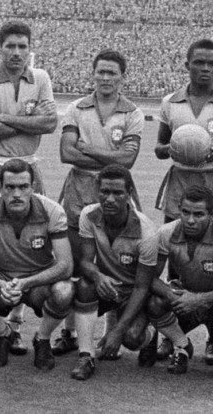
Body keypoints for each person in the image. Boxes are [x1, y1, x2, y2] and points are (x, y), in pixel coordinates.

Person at [0, 21, 57, 357]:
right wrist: (27, 122)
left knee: (26, 249)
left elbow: (50, 123)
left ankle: (15, 327)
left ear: (29, 49)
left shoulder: (40, 78)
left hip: (27, 169)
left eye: (22, 46)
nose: (16, 53)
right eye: (10, 46)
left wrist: (5, 117)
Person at [153, 37, 213, 363]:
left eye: (211, 64)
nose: (206, 69)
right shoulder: (170, 102)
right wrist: (176, 147)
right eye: (199, 63)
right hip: (179, 182)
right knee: (175, 258)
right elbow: (159, 148)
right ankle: (172, 335)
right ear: (187, 65)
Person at [53, 48, 144, 356]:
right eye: (101, 71)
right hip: (78, 191)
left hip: (116, 190)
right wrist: (109, 156)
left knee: (116, 264)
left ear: (122, 77)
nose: (105, 77)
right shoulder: (76, 108)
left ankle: (108, 336)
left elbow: (127, 160)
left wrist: (87, 148)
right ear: (92, 74)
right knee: (76, 264)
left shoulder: (132, 113)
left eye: (112, 73)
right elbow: (66, 153)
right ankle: (70, 333)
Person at [0, 159, 73, 371]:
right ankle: (4, 334)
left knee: (65, 291)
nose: (17, 194)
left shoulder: (52, 210)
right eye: (10, 187)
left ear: (33, 187)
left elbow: (66, 266)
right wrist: (1, 285)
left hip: (38, 280)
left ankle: (42, 338)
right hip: (0, 276)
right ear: (0, 187)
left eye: (23, 187)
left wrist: (26, 283)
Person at [69, 165, 159, 381]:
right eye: (105, 192)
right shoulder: (88, 215)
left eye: (117, 193)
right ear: (97, 191)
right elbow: (85, 261)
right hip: (106, 284)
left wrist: (118, 331)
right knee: (84, 285)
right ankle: (86, 356)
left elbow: (142, 286)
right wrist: (98, 276)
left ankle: (151, 334)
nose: (109, 199)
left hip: (132, 291)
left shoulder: (147, 232)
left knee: (131, 338)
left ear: (129, 194)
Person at [146, 185, 213, 377]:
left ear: (212, 214)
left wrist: (199, 299)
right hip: (183, 296)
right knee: (155, 302)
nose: (190, 220)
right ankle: (181, 346)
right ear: (178, 210)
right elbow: (150, 277)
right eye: (185, 212)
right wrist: (172, 295)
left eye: (198, 214)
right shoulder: (166, 232)